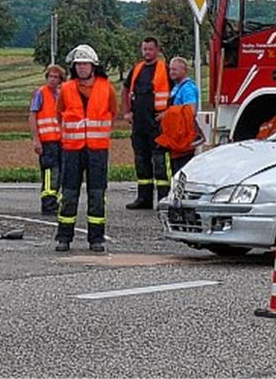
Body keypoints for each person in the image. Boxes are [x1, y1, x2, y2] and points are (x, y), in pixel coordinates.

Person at [55, 44, 117, 253]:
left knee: (97, 195)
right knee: (69, 194)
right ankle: (64, 237)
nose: (81, 67)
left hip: (97, 150)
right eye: (78, 64)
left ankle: (96, 238)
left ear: (93, 66)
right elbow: (59, 114)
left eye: (85, 64)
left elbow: (112, 113)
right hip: (72, 149)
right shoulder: (66, 89)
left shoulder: (106, 88)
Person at [121, 37, 170, 209]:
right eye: (144, 49)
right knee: (141, 162)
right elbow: (125, 89)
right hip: (139, 124)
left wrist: (167, 113)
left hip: (157, 126)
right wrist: (127, 111)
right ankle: (144, 198)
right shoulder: (137, 69)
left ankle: (164, 199)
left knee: (160, 164)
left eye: (150, 49)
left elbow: (175, 92)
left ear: (157, 50)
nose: (147, 52)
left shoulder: (165, 69)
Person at [29, 64, 66, 215]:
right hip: (47, 141)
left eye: (56, 77)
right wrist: (36, 140)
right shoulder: (40, 93)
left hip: (62, 141)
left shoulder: (62, 94)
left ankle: (56, 202)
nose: (52, 79)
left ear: (60, 80)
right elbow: (32, 116)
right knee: (51, 173)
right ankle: (48, 204)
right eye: (50, 76)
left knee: (62, 173)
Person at [156, 57, 203, 173]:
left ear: (184, 70)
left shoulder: (188, 88)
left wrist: (167, 114)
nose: (171, 72)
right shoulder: (176, 87)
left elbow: (191, 111)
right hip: (175, 137)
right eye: (170, 69)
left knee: (182, 169)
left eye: (175, 69)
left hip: (183, 138)